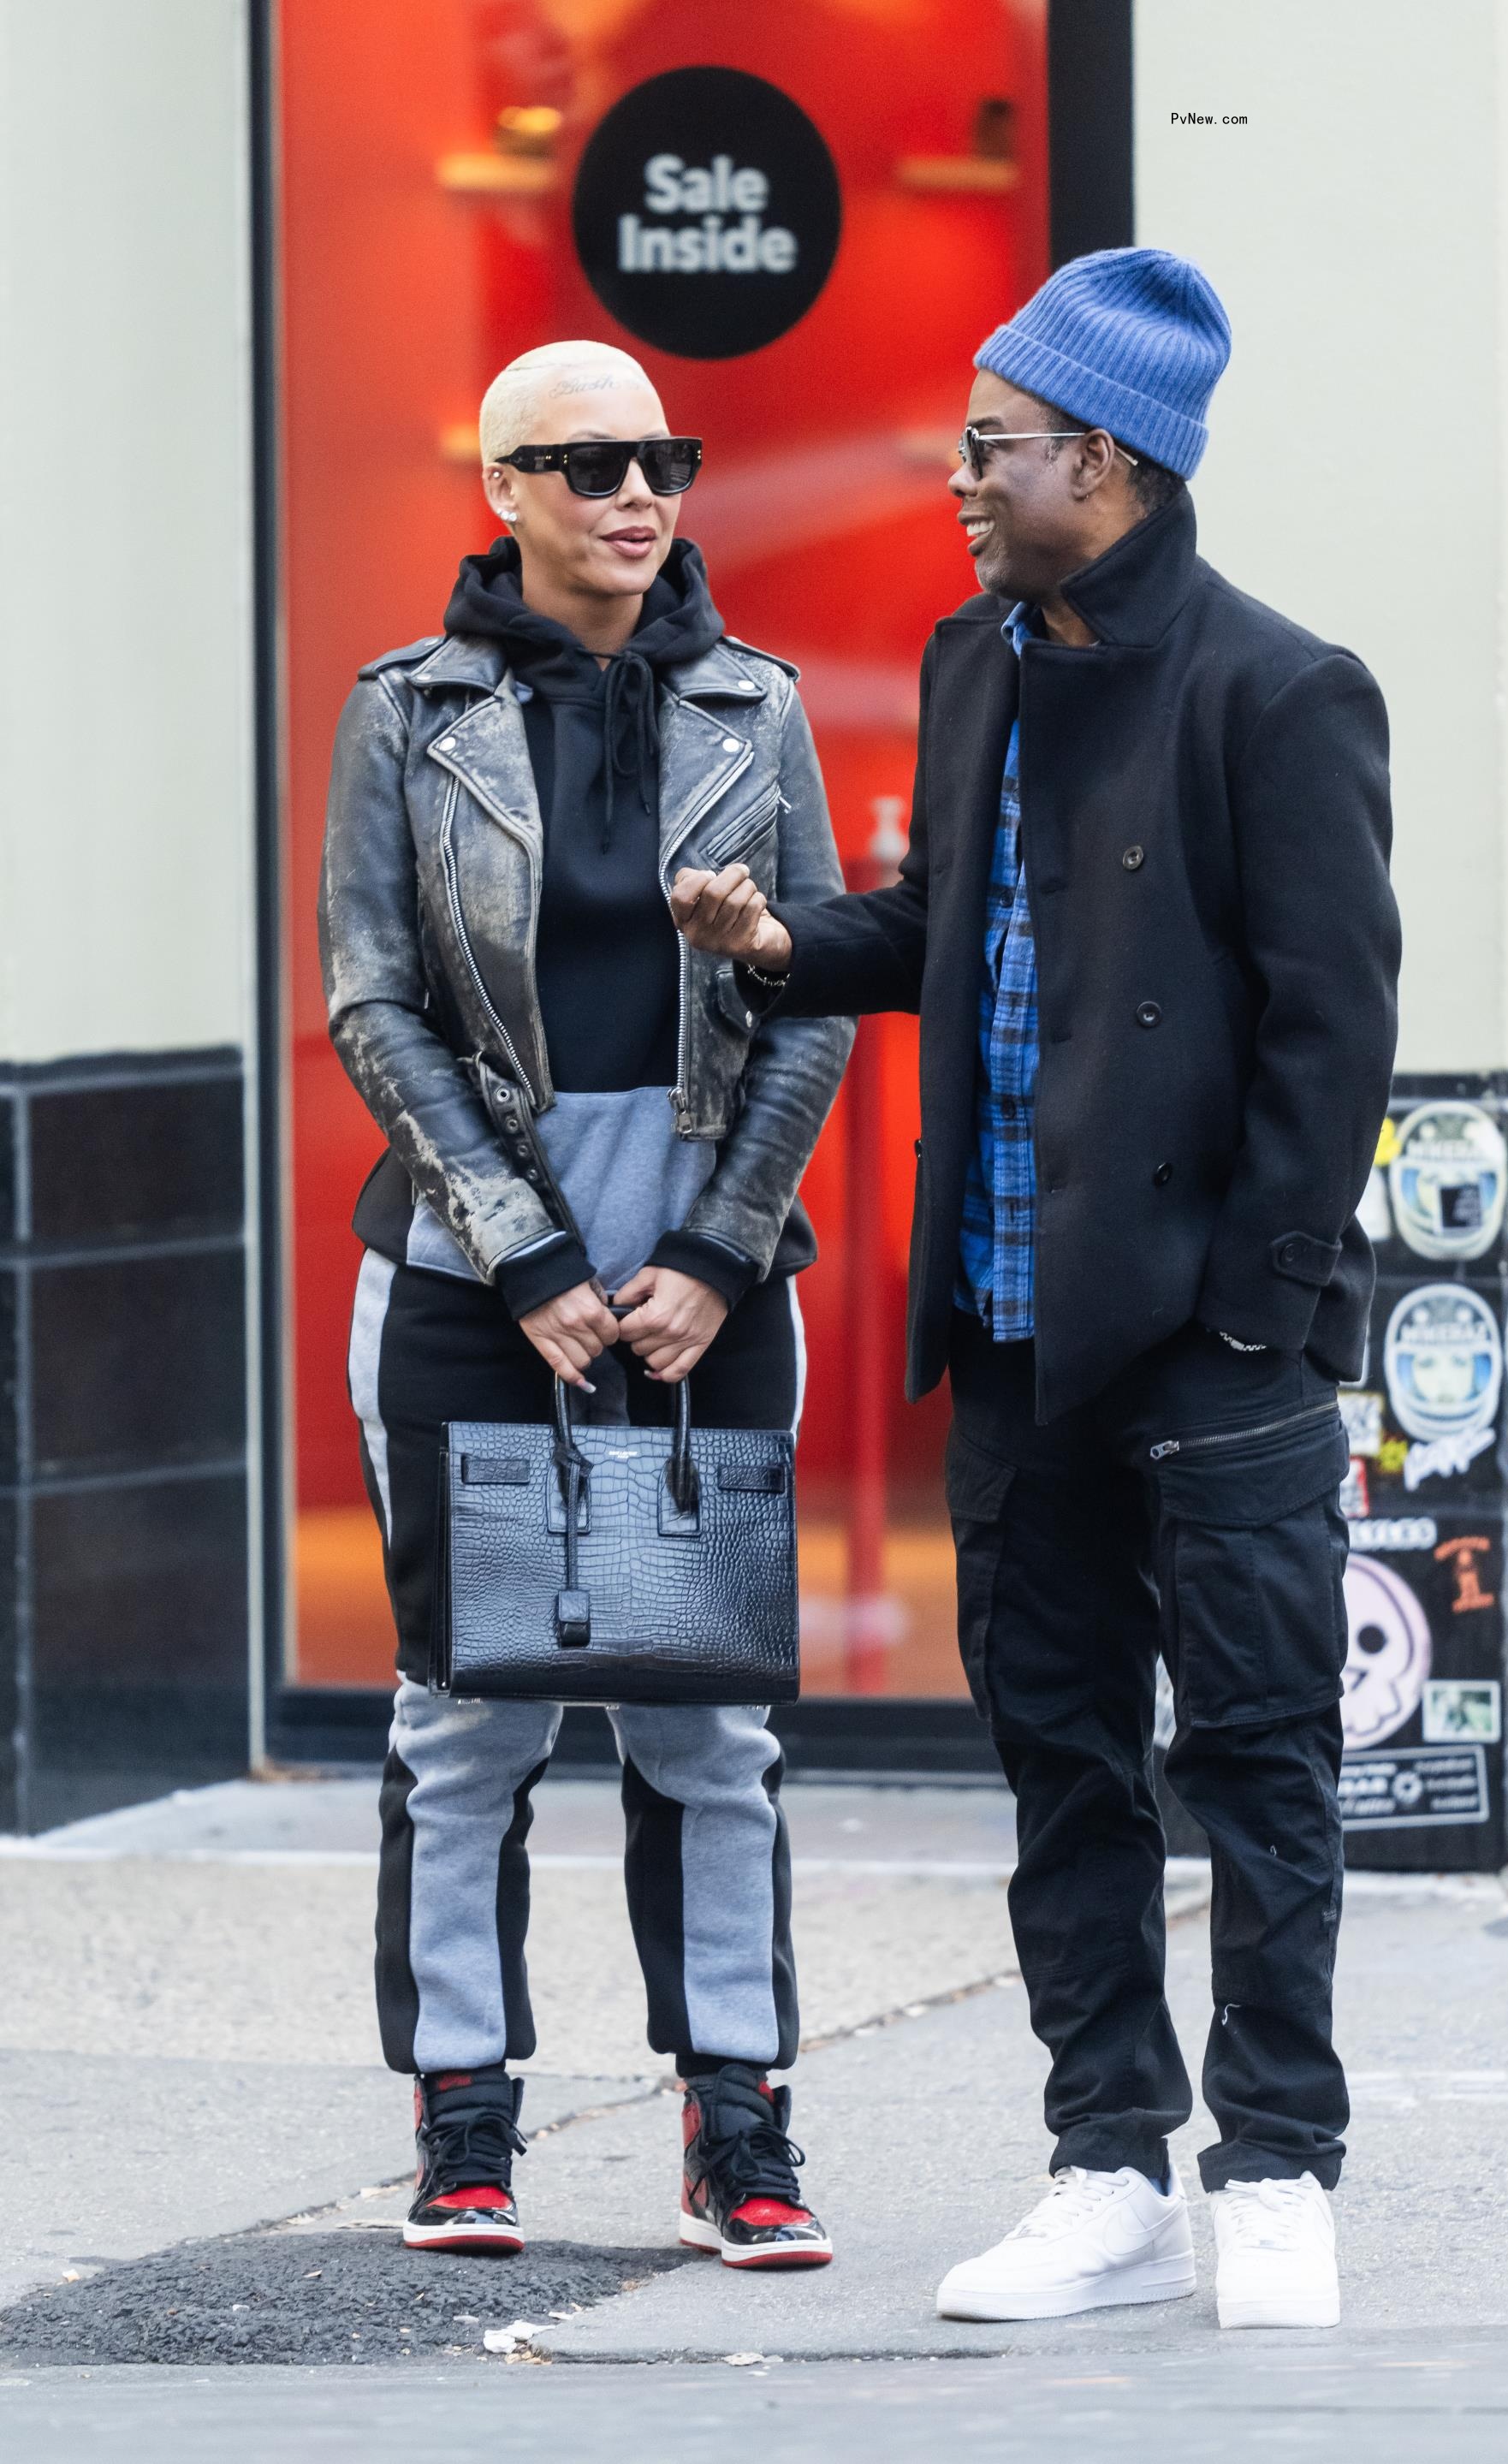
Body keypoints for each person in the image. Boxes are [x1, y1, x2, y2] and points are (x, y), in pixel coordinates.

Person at [670, 249, 1399, 2331]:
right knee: (1063, 1754)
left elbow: (1331, 1035)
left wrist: (1258, 1315)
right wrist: (784, 944)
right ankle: (1109, 2165)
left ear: (1115, 458)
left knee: (1257, 1759)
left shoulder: (1280, 687)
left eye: (993, 446)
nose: (961, 479)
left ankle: (1276, 2161)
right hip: (1008, 1331)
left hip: (1206, 1344)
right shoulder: (977, 659)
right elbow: (945, 925)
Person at [319, 340, 851, 2268]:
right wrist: (525, 1250)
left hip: (706, 1277)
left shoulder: (754, 706)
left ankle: (740, 2123)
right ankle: (466, 2125)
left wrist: (718, 1253)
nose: (640, 494)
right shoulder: (406, 715)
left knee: (704, 1730)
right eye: (593, 462)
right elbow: (374, 1001)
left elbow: (813, 991)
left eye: (665, 459)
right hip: (472, 1283)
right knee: (465, 1721)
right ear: (503, 489)